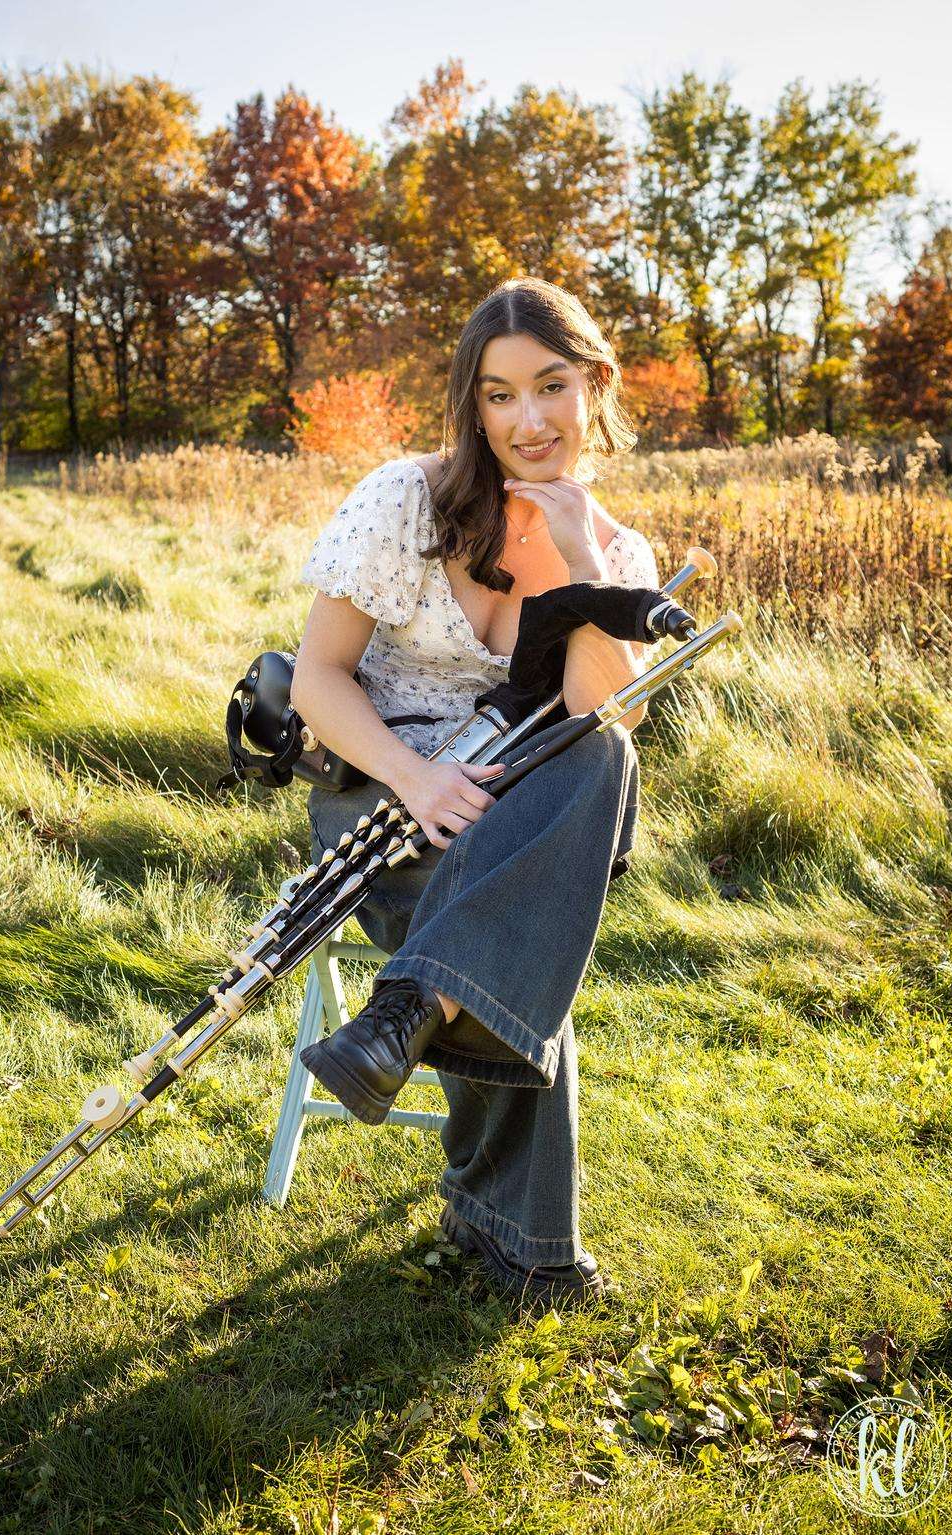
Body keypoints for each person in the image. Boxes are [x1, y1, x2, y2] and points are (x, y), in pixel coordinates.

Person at [289, 276, 660, 1307]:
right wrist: (416, 777)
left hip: (526, 818)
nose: (527, 421)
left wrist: (585, 560)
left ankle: (406, 1006)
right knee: (519, 947)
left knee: (602, 757)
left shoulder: (620, 553)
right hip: (378, 797)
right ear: (472, 402)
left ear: (593, 384)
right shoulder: (402, 499)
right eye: (499, 395)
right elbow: (318, 676)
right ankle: (524, 1244)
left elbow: (602, 714)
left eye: (549, 387)